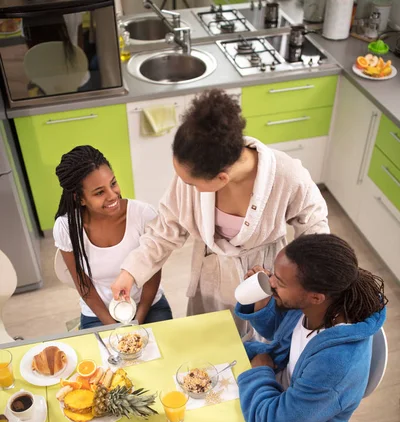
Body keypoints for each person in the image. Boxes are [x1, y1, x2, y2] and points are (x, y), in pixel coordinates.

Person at [111, 89, 330, 339]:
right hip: (211, 279)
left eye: (192, 184)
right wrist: (130, 272)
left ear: (221, 179)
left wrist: (299, 284)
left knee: (257, 350)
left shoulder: (287, 176)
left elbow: (315, 231)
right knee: (208, 344)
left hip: (262, 280)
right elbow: (165, 230)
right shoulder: (195, 170)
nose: (185, 186)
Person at [223, 234, 387, 422]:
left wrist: (261, 370)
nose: (271, 282)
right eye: (272, 273)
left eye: (280, 281)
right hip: (279, 376)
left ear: (316, 297)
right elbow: (281, 333)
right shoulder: (318, 305)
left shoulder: (336, 366)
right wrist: (263, 301)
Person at [53, 145, 172, 330]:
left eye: (113, 183)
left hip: (147, 306)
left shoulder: (143, 215)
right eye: (99, 192)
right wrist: (113, 327)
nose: (112, 195)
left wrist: (137, 322)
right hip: (98, 313)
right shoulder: (66, 228)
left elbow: (152, 273)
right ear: (80, 198)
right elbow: (84, 286)